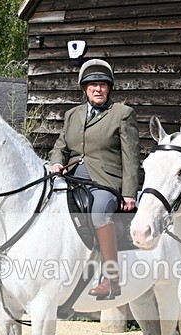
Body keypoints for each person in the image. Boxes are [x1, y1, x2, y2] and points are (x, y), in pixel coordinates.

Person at [48, 58, 139, 300]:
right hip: (72, 177)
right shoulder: (72, 115)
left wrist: (129, 193)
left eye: (102, 85)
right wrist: (56, 162)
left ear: (109, 88)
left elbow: (131, 157)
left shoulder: (122, 114)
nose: (98, 89)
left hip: (105, 181)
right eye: (93, 85)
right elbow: (60, 147)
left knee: (99, 214)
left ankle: (112, 279)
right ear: (84, 89)